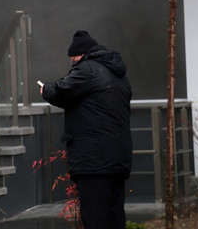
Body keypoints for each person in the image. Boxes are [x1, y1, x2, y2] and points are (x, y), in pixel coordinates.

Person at [40, 30, 132, 229]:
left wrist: (44, 89)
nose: (72, 64)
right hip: (117, 158)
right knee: (115, 215)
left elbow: (61, 90)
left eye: (72, 59)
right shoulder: (117, 73)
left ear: (79, 55)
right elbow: (91, 103)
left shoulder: (87, 69)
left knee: (95, 218)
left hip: (94, 161)